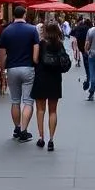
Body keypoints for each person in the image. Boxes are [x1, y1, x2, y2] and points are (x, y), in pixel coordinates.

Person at [0, 4, 38, 143]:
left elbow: (2, 54)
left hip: (12, 69)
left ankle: (17, 127)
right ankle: (24, 131)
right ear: (25, 14)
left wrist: (2, 69)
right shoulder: (32, 30)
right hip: (28, 68)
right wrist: (35, 64)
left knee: (15, 101)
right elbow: (35, 54)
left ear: (14, 15)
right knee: (27, 101)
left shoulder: (6, 31)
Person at [31, 21, 65, 150]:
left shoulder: (41, 43)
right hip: (55, 78)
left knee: (40, 109)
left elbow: (35, 59)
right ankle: (51, 139)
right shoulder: (59, 44)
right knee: (53, 110)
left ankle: (41, 137)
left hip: (41, 77)